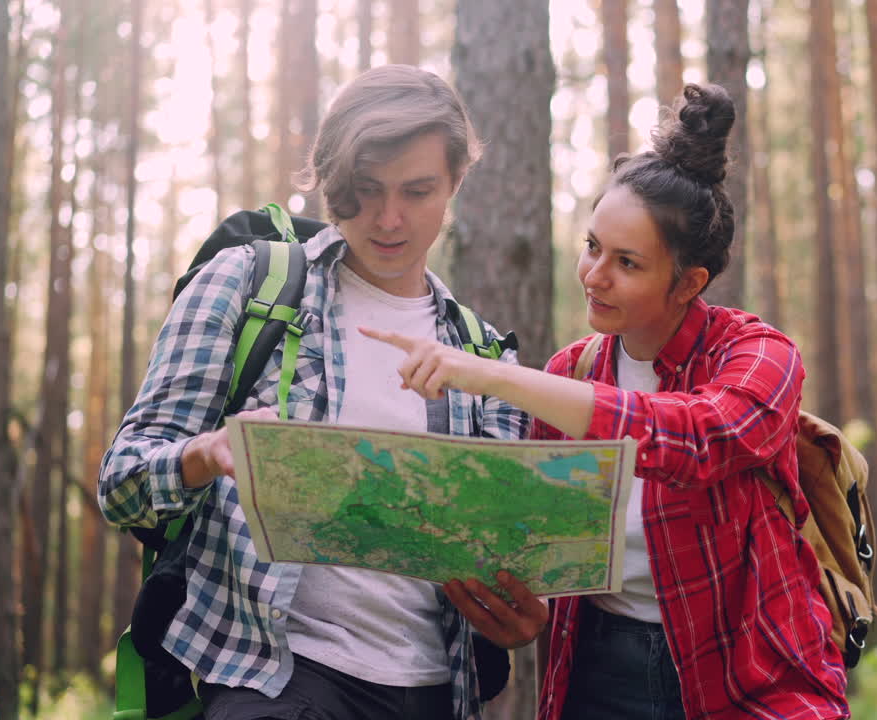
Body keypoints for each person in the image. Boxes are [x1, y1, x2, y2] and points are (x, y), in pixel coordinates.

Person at [361, 83, 850, 719]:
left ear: (689, 283)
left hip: (754, 675)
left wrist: (497, 378)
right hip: (599, 674)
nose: (595, 275)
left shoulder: (758, 354)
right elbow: (542, 544)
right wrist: (525, 610)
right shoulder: (572, 371)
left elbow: (699, 437)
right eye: (593, 246)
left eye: (627, 263)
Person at [99, 64, 549, 720]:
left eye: (417, 191)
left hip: (439, 691)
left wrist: (518, 615)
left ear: (456, 179)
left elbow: (498, 553)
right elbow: (122, 483)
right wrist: (208, 454)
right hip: (276, 680)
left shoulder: (485, 357)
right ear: (330, 180)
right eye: (365, 191)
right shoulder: (247, 284)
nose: (389, 218)